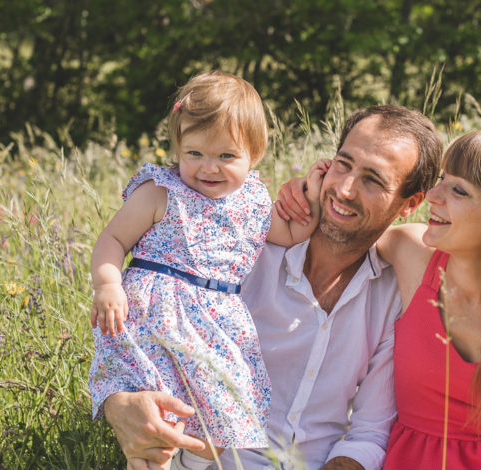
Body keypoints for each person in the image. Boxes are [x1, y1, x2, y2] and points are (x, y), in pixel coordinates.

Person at [100, 105, 443, 469]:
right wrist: (118, 402)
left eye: (373, 179)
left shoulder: (396, 292)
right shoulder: (241, 245)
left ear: (410, 204)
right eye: (343, 164)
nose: (344, 189)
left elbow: (369, 435)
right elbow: (146, 323)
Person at [282, 130, 481, 469]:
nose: (433, 195)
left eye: (458, 190)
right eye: (443, 179)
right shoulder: (411, 255)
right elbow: (345, 221)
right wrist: (301, 195)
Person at [88, 70, 323, 470]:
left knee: (218, 418)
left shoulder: (253, 202)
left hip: (216, 325)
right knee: (157, 409)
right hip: (154, 316)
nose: (208, 168)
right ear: (178, 147)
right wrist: (107, 284)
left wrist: (314, 190)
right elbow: (112, 240)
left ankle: (190, 462)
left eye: (226, 156)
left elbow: (292, 231)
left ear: (255, 155)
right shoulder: (161, 192)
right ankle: (147, 460)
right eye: (194, 153)